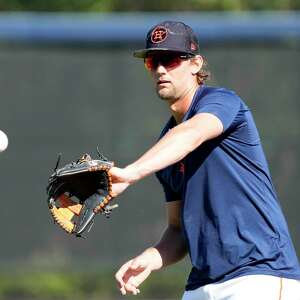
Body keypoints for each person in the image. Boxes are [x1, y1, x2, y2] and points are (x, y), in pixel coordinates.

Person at [109, 21, 300, 299]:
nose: (161, 69)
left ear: (196, 64)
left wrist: (131, 173)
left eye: (171, 59)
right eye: (153, 61)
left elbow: (192, 134)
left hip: (259, 275)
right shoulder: (166, 145)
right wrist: (152, 257)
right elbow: (178, 230)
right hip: (201, 284)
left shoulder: (222, 102)